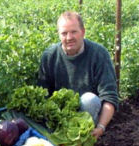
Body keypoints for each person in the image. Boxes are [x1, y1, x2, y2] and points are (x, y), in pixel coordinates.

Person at [38, 11, 119, 139]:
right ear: (59, 35)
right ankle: (61, 139)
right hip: (60, 116)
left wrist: (101, 127)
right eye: (64, 33)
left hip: (87, 114)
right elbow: (43, 94)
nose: (69, 37)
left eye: (73, 32)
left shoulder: (99, 54)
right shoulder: (49, 56)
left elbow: (110, 96)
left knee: (89, 100)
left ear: (83, 32)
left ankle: (83, 138)